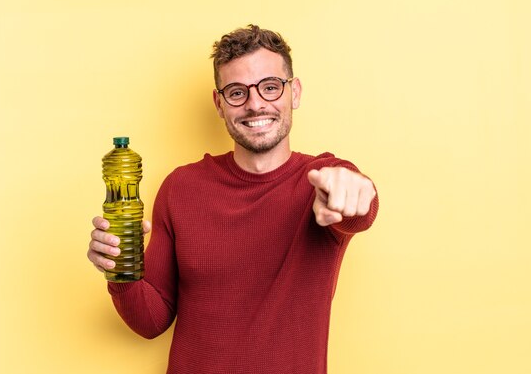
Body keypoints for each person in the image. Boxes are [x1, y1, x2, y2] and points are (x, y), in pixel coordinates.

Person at [88, 24, 379, 373]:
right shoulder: (181, 187)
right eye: (237, 92)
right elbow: (151, 322)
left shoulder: (322, 180)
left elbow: (359, 209)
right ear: (219, 103)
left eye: (270, 88)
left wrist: (353, 192)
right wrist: (119, 271)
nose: (256, 104)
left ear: (295, 93)